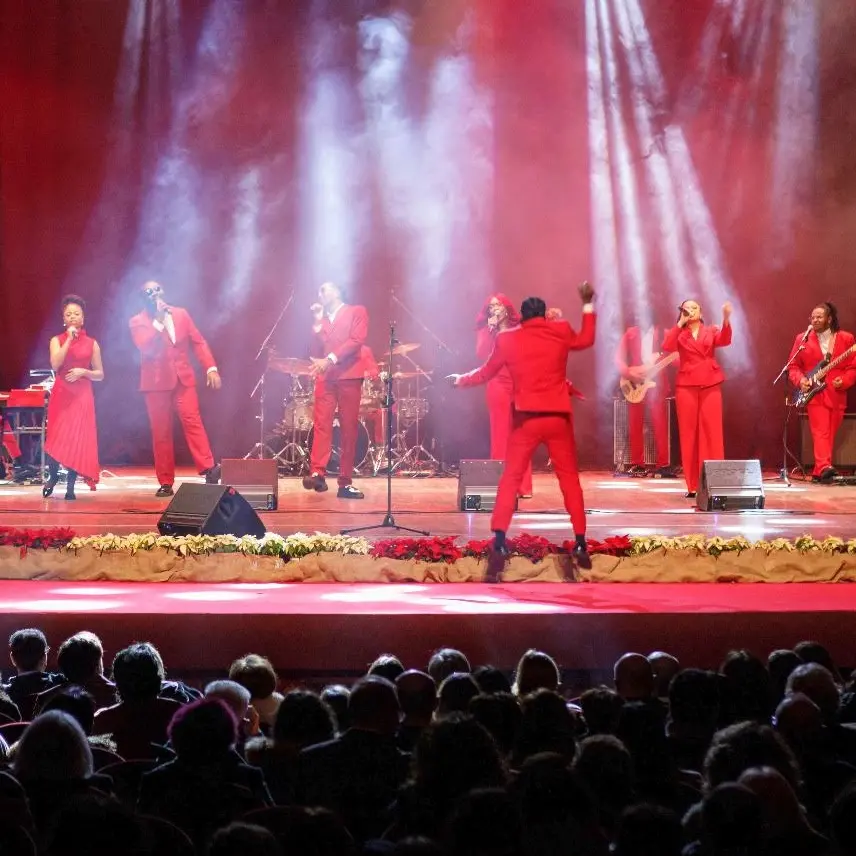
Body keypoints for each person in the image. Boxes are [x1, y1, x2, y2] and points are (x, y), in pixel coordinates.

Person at [448, 284, 596, 581]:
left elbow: (485, 372)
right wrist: (587, 304)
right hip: (557, 419)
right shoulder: (560, 330)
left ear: (522, 316)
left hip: (527, 418)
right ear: (542, 314)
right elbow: (587, 339)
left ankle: (499, 540)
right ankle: (580, 539)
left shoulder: (507, 340)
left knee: (509, 480)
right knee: (569, 481)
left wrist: (460, 380)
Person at [129, 281, 222, 497]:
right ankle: (165, 481)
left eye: (157, 290)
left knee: (192, 420)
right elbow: (145, 346)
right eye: (148, 293)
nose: (154, 295)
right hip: (156, 383)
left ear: (163, 292)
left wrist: (210, 368)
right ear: (143, 298)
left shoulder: (181, 314)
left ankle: (208, 468)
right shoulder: (137, 321)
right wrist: (159, 322)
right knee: (161, 432)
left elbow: (198, 342)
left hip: (183, 378)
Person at [302, 281, 374, 499]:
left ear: (339, 291)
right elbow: (315, 351)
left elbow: (356, 340)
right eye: (319, 289)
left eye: (325, 288)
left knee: (348, 429)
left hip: (349, 375)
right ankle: (317, 473)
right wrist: (316, 324)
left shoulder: (356, 311)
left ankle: (345, 482)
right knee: (321, 424)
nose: (320, 292)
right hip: (326, 377)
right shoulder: (322, 320)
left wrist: (330, 359)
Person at [661, 299, 732, 499]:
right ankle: (693, 484)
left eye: (694, 308)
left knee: (712, 432)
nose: (690, 311)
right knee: (689, 434)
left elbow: (725, 340)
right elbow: (666, 345)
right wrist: (679, 323)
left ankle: (715, 482)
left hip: (710, 384)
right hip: (686, 386)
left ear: (701, 312)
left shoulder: (711, 330)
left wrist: (726, 319)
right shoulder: (678, 333)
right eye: (687, 308)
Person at [43, 295, 103, 500]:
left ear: (83, 318)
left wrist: (83, 372)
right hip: (61, 394)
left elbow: (100, 374)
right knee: (56, 437)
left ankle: (70, 487)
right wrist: (69, 339)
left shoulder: (92, 343)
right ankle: (52, 477)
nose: (72, 317)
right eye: (68, 314)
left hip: (82, 396)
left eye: (76, 314)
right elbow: (55, 364)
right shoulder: (56, 340)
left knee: (76, 439)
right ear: (64, 319)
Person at [787, 302, 856, 482]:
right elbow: (793, 366)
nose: (815, 320)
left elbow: (853, 367)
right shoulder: (802, 339)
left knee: (829, 432)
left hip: (837, 393)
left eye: (819, 317)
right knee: (821, 432)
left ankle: (820, 472)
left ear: (829, 319)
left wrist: (846, 380)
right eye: (813, 317)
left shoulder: (846, 339)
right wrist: (801, 380)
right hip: (815, 392)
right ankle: (825, 466)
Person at [475, 294, 533, 498]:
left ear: (507, 308)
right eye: (491, 306)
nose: (494, 309)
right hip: (497, 383)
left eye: (498, 305)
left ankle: (523, 486)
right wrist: (491, 330)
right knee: (500, 435)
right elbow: (482, 354)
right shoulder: (485, 330)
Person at [615, 319, 675, 477]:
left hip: (657, 382)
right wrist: (629, 372)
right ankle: (637, 464)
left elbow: (675, 355)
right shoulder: (631, 333)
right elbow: (618, 358)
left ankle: (663, 465)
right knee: (635, 423)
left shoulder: (665, 333)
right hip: (636, 382)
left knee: (660, 424)